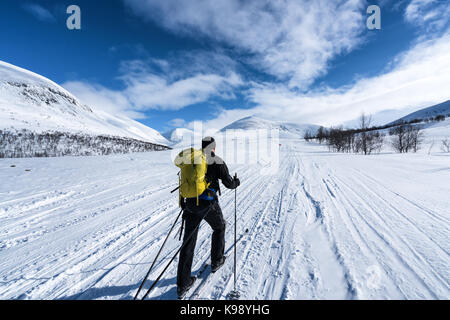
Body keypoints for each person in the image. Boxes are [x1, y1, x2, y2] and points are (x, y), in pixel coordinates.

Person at [176, 136, 240, 299]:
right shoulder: (216, 160)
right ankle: (217, 260)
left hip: (190, 203)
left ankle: (183, 283)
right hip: (207, 204)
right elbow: (229, 184)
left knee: (188, 240)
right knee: (219, 227)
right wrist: (236, 182)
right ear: (213, 147)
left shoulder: (194, 159)